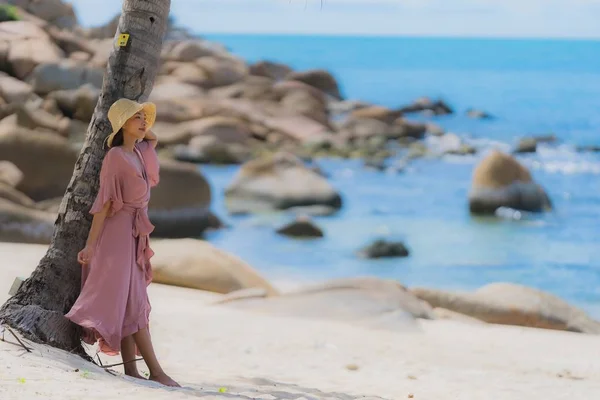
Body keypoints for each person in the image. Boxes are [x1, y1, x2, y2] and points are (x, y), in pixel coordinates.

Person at [65, 98, 180, 387]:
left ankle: (132, 371)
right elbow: (103, 204)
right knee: (134, 301)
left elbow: (152, 138)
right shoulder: (115, 156)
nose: (143, 122)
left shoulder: (139, 153)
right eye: (136, 117)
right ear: (122, 125)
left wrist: (140, 128)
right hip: (116, 234)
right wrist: (91, 246)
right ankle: (156, 371)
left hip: (135, 234)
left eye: (144, 117)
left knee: (133, 301)